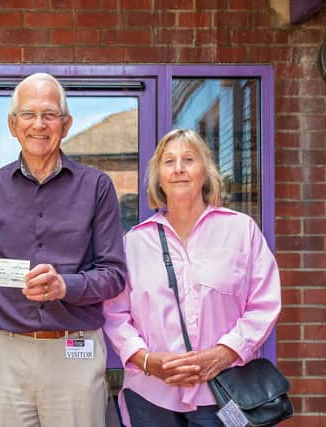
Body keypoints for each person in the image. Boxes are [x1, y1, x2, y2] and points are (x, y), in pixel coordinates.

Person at [0, 72, 127, 427]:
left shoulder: (97, 187)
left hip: (75, 351)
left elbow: (114, 275)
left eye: (49, 114)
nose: (39, 124)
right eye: (28, 114)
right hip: (4, 353)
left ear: (66, 125)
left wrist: (64, 286)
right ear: (12, 124)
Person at [103, 128, 282, 427]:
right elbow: (115, 314)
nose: (179, 169)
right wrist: (146, 360)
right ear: (158, 178)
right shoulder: (134, 242)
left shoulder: (241, 231)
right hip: (151, 395)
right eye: (168, 161)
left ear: (206, 172)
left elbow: (264, 302)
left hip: (221, 390)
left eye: (189, 159)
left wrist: (226, 353)